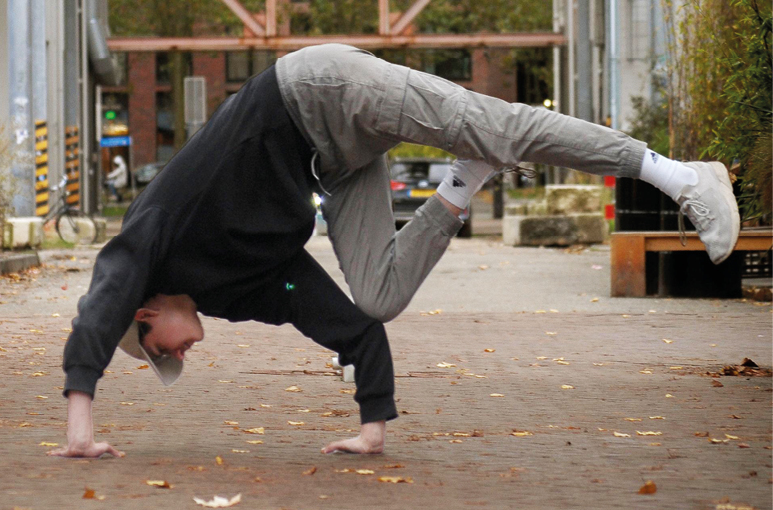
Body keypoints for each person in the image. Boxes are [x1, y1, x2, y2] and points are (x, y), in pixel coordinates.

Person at [49, 44, 739, 459]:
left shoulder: (148, 241)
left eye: (161, 351)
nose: (179, 355)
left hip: (317, 91)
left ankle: (676, 174)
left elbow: (100, 302)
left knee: (500, 129)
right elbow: (345, 323)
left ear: (143, 312)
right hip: (337, 163)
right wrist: (372, 425)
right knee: (379, 295)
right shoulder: (239, 290)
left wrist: (80, 423)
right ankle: (464, 182)